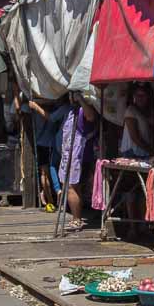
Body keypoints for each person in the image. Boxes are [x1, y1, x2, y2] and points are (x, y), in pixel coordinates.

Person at [58, 93, 98, 231]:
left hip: (78, 157)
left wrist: (80, 99)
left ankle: (76, 219)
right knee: (70, 186)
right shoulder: (70, 111)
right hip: (67, 155)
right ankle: (76, 217)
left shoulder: (82, 111)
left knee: (71, 187)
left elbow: (91, 117)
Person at [29, 96, 71, 211]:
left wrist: (35, 106)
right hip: (51, 143)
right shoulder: (60, 108)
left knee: (46, 172)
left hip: (43, 143)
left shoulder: (38, 106)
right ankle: (54, 198)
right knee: (52, 169)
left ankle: (51, 199)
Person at [120, 82, 154, 159]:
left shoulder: (148, 111)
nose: (140, 98)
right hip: (132, 153)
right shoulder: (131, 110)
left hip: (143, 152)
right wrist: (151, 151)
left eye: (143, 95)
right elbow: (135, 137)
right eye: (137, 95)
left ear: (148, 96)